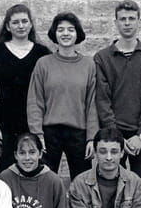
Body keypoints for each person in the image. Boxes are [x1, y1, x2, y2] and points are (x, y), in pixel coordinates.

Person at [94, 0, 141, 208]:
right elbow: (103, 99)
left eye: (132, 18)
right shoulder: (102, 58)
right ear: (115, 22)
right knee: (112, 188)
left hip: (140, 137)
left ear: (139, 22)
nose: (127, 23)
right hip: (114, 136)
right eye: (122, 19)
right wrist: (116, 137)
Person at [27, 12, 97, 178]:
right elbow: (35, 101)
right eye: (61, 30)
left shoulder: (88, 65)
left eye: (70, 30)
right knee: (45, 180)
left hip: (79, 133)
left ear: (77, 33)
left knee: (82, 181)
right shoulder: (43, 64)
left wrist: (91, 138)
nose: (65, 33)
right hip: (49, 134)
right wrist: (37, 134)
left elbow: (92, 104)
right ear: (55, 33)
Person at [0, 4, 51, 171]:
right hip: (3, 125)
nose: (20, 26)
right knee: (4, 171)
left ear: (31, 24)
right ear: (8, 26)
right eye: (15, 22)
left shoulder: (42, 53)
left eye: (24, 21)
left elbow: (49, 91)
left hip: (34, 124)